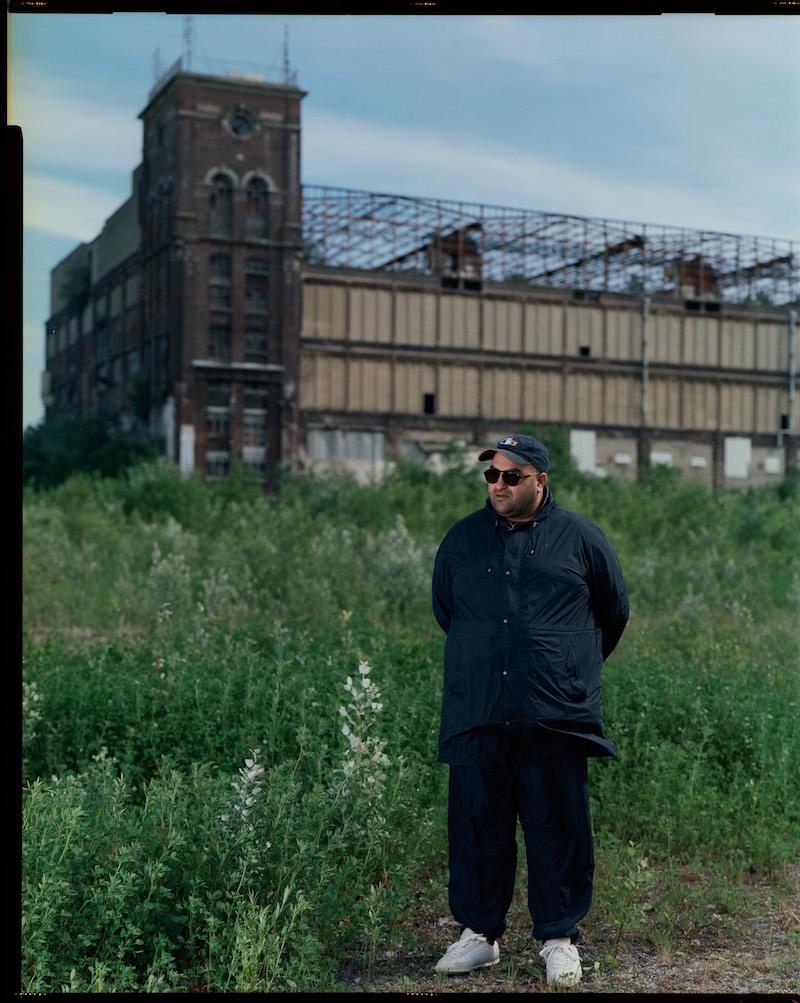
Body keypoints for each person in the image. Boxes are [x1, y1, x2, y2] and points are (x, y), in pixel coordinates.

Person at [431, 433, 629, 986]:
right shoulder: (463, 540)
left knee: (557, 826)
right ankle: (479, 934)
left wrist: (564, 666)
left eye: (510, 476)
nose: (497, 485)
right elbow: (446, 608)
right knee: (476, 825)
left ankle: (559, 937)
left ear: (541, 480)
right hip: (480, 708)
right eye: (490, 475)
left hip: (555, 711)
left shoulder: (582, 539)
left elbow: (612, 614)